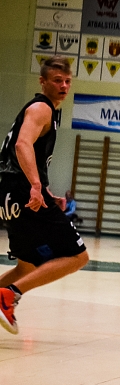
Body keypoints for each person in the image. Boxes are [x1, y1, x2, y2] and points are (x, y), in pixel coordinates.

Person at [0, 56, 89, 334]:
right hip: (22, 191)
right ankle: (9, 296)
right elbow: (22, 144)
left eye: (67, 81)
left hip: (7, 192)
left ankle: (7, 291)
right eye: (57, 80)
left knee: (26, 267)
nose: (63, 85)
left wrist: (46, 190)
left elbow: (27, 155)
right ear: (43, 82)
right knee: (78, 257)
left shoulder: (45, 110)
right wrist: (36, 187)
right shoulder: (41, 108)